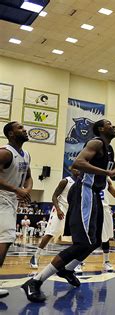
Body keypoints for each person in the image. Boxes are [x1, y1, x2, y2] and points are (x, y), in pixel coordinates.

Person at [22, 119, 115, 302]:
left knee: (95, 241)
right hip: (84, 192)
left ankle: (68, 269)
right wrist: (107, 173)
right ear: (101, 129)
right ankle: (35, 281)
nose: (114, 126)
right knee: (82, 243)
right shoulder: (96, 142)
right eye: (110, 124)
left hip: (95, 196)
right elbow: (78, 163)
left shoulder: (109, 150)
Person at [0, 121, 32, 298]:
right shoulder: (5, 153)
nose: (24, 129)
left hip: (11, 201)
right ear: (11, 134)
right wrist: (15, 189)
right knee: (5, 239)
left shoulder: (26, 154)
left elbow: (28, 177)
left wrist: (26, 190)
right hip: (1, 198)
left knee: (5, 240)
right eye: (20, 128)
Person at [30, 169, 80, 269]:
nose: (78, 170)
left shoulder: (81, 182)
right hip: (60, 208)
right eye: (76, 168)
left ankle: (76, 260)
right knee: (50, 233)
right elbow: (54, 197)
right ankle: (35, 256)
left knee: (76, 236)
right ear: (72, 169)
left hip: (72, 210)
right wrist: (58, 210)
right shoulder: (65, 181)